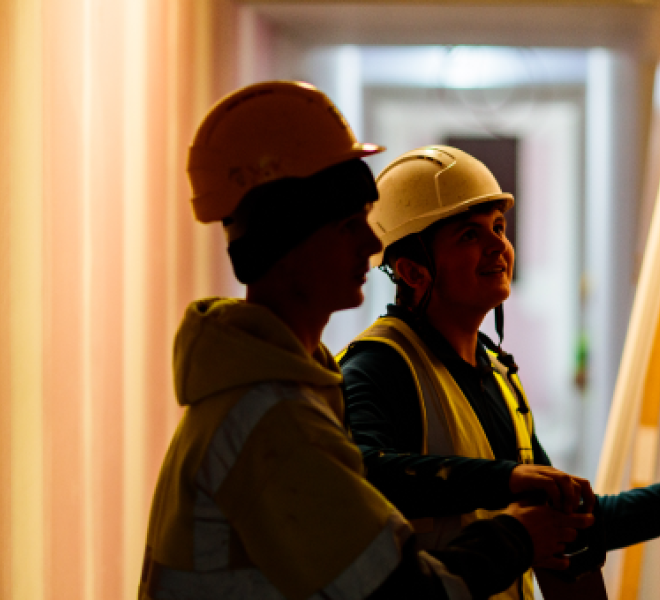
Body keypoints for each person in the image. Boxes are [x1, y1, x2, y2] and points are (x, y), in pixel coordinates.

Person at [138, 84, 593, 600]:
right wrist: (516, 535)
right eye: (350, 225)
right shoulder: (272, 420)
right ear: (293, 243)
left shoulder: (284, 393)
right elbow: (400, 593)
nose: (374, 244)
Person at [340, 145, 660, 600]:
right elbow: (365, 474)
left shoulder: (497, 373)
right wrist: (507, 479)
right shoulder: (379, 364)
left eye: (498, 228)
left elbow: (569, 522)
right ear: (412, 271)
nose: (499, 247)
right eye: (469, 235)